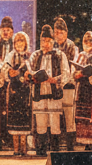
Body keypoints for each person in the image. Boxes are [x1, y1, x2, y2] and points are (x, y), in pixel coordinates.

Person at [28, 24, 71, 157]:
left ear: (53, 42)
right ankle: (41, 150)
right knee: (40, 122)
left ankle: (55, 151)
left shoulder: (59, 55)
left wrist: (55, 80)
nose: (45, 44)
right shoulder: (35, 55)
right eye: (43, 41)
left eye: (48, 41)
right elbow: (29, 70)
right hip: (39, 93)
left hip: (54, 94)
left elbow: (66, 73)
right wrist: (32, 76)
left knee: (54, 123)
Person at [2, 30, 33, 158]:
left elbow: (34, 70)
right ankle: (16, 148)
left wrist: (28, 75)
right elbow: (4, 70)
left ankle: (24, 148)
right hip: (14, 90)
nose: (19, 43)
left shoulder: (30, 55)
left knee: (24, 118)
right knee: (14, 117)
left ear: (26, 42)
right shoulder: (10, 55)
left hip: (25, 90)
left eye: (22, 41)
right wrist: (9, 72)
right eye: (17, 41)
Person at [52, 18, 79, 151]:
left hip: (68, 85)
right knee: (56, 114)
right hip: (54, 85)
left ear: (66, 33)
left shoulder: (71, 46)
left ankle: (70, 145)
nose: (58, 35)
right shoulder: (52, 47)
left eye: (61, 33)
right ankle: (56, 145)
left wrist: (65, 80)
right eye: (56, 33)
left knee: (69, 114)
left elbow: (74, 65)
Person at [0, 16, 16, 150]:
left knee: (12, 110)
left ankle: (11, 140)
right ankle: (0, 138)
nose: (6, 32)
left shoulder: (17, 43)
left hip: (13, 81)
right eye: (3, 30)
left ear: (12, 31)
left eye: (8, 30)